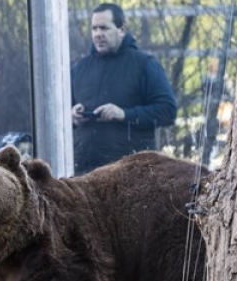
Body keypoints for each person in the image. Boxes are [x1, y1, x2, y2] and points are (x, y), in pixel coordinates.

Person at [71, 3, 177, 175]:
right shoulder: (79, 69)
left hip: (131, 177)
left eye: (104, 28)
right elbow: (60, 118)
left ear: (122, 30)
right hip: (85, 175)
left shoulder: (145, 65)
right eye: (94, 29)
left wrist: (124, 114)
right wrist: (72, 117)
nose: (98, 34)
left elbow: (167, 111)